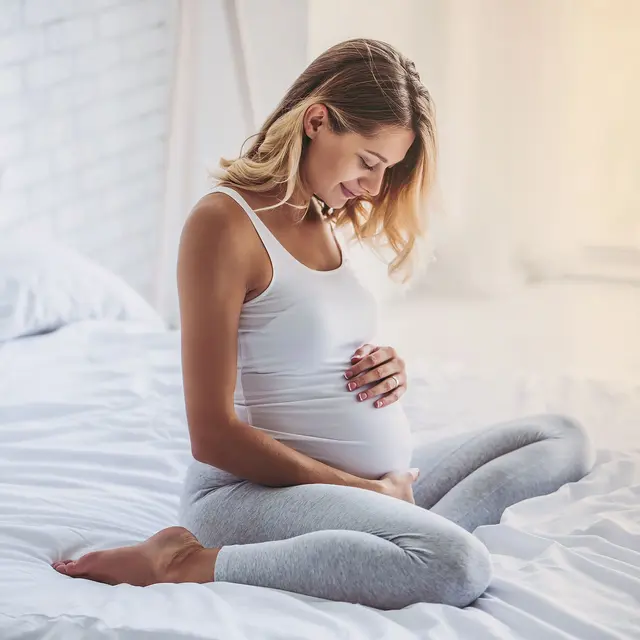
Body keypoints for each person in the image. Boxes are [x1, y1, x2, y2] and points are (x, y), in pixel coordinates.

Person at [52, 39, 594, 610]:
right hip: (250, 495)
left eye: (386, 170)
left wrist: (389, 369)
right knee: (455, 566)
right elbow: (211, 434)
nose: (375, 187)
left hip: (366, 485)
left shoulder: (321, 214)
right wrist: (363, 492)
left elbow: (308, 343)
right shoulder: (223, 225)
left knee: (560, 436)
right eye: (368, 161)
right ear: (316, 121)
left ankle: (393, 531)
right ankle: (186, 562)